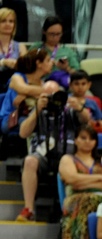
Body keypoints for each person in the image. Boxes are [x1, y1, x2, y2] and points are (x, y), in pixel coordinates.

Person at [9, 51, 64, 222]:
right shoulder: (37, 109)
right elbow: (23, 132)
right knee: (30, 161)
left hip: (64, 151)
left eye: (54, 96)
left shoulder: (66, 109)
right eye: (47, 96)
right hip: (42, 151)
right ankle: (28, 209)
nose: (51, 100)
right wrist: (37, 110)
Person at [60, 124, 102, 239]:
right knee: (88, 201)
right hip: (75, 199)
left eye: (91, 139)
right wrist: (100, 178)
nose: (87, 142)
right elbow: (72, 180)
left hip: (101, 197)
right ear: (76, 140)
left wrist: (83, 182)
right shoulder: (68, 159)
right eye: (83, 138)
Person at [68, 69, 102, 135]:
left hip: (90, 132)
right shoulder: (66, 100)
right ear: (70, 85)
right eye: (76, 84)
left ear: (89, 85)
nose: (80, 87)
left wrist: (98, 123)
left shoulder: (92, 103)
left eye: (83, 84)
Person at [28, 16, 80, 85]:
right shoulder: (36, 48)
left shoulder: (68, 51)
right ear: (44, 32)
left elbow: (79, 75)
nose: (55, 37)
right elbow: (25, 68)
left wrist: (66, 68)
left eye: (58, 34)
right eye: (52, 34)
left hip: (62, 85)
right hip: (39, 83)